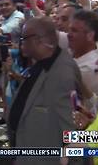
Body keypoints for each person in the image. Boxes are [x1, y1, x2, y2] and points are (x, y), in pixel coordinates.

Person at [8, 17, 83, 165]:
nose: (21, 42)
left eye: (24, 38)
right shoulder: (44, 64)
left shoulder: (62, 74)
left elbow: (72, 130)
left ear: (37, 40)